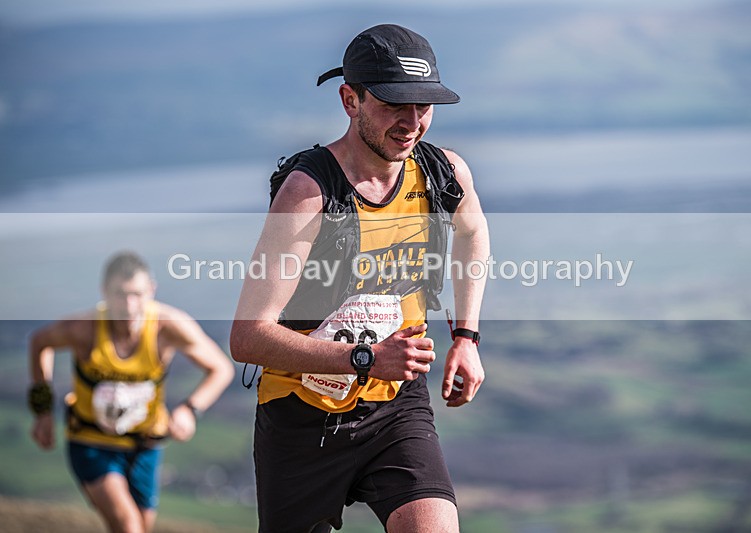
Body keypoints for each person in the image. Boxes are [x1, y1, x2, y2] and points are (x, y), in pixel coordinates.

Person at [231, 24, 489, 532]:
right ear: (351, 100)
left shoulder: (443, 174)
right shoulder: (308, 193)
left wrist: (466, 336)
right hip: (301, 415)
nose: (412, 123)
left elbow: (474, 234)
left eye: (424, 106)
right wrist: (366, 358)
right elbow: (247, 337)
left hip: (396, 406)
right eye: (394, 105)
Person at [28, 251, 234, 533]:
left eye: (136, 294)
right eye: (120, 294)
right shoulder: (85, 329)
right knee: (128, 526)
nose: (128, 305)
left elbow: (221, 368)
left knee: (140, 526)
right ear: (104, 292)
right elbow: (40, 343)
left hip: (145, 444)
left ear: (151, 290)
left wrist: (190, 409)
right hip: (91, 440)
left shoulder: (168, 327)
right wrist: (42, 411)